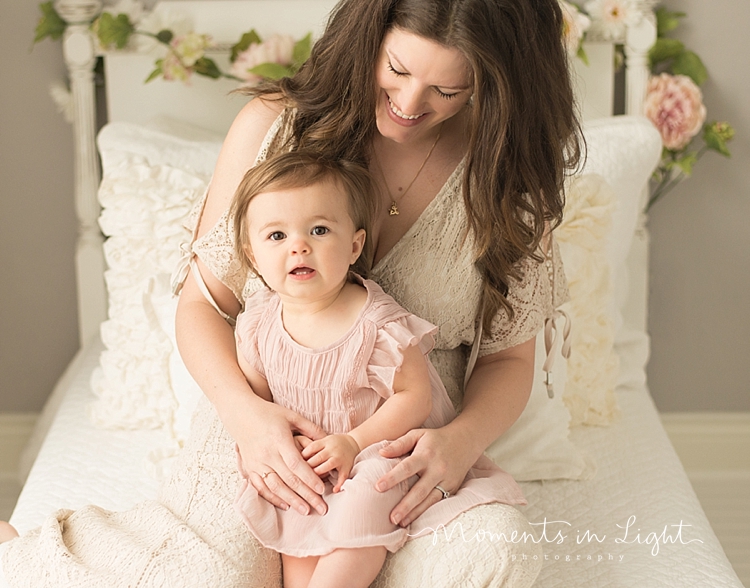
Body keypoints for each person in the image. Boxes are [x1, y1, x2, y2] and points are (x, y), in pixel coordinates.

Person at [1, 0, 577, 586]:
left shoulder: (509, 174)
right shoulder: (274, 127)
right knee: (207, 577)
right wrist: (246, 418)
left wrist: (459, 443)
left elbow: (508, 359)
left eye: (448, 90)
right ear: (369, 35)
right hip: (268, 425)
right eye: (398, 70)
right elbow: (204, 304)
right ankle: (24, 555)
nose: (408, 105)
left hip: (404, 457)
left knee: (494, 557)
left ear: (493, 81)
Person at [228, 151, 525, 588]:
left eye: (319, 230)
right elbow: (255, 400)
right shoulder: (257, 325)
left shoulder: (376, 325)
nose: (299, 246)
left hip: (373, 449)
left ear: (354, 245)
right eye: (277, 235)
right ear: (253, 258)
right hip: (309, 461)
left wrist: (353, 441)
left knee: (371, 492)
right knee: (298, 527)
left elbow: (414, 397)